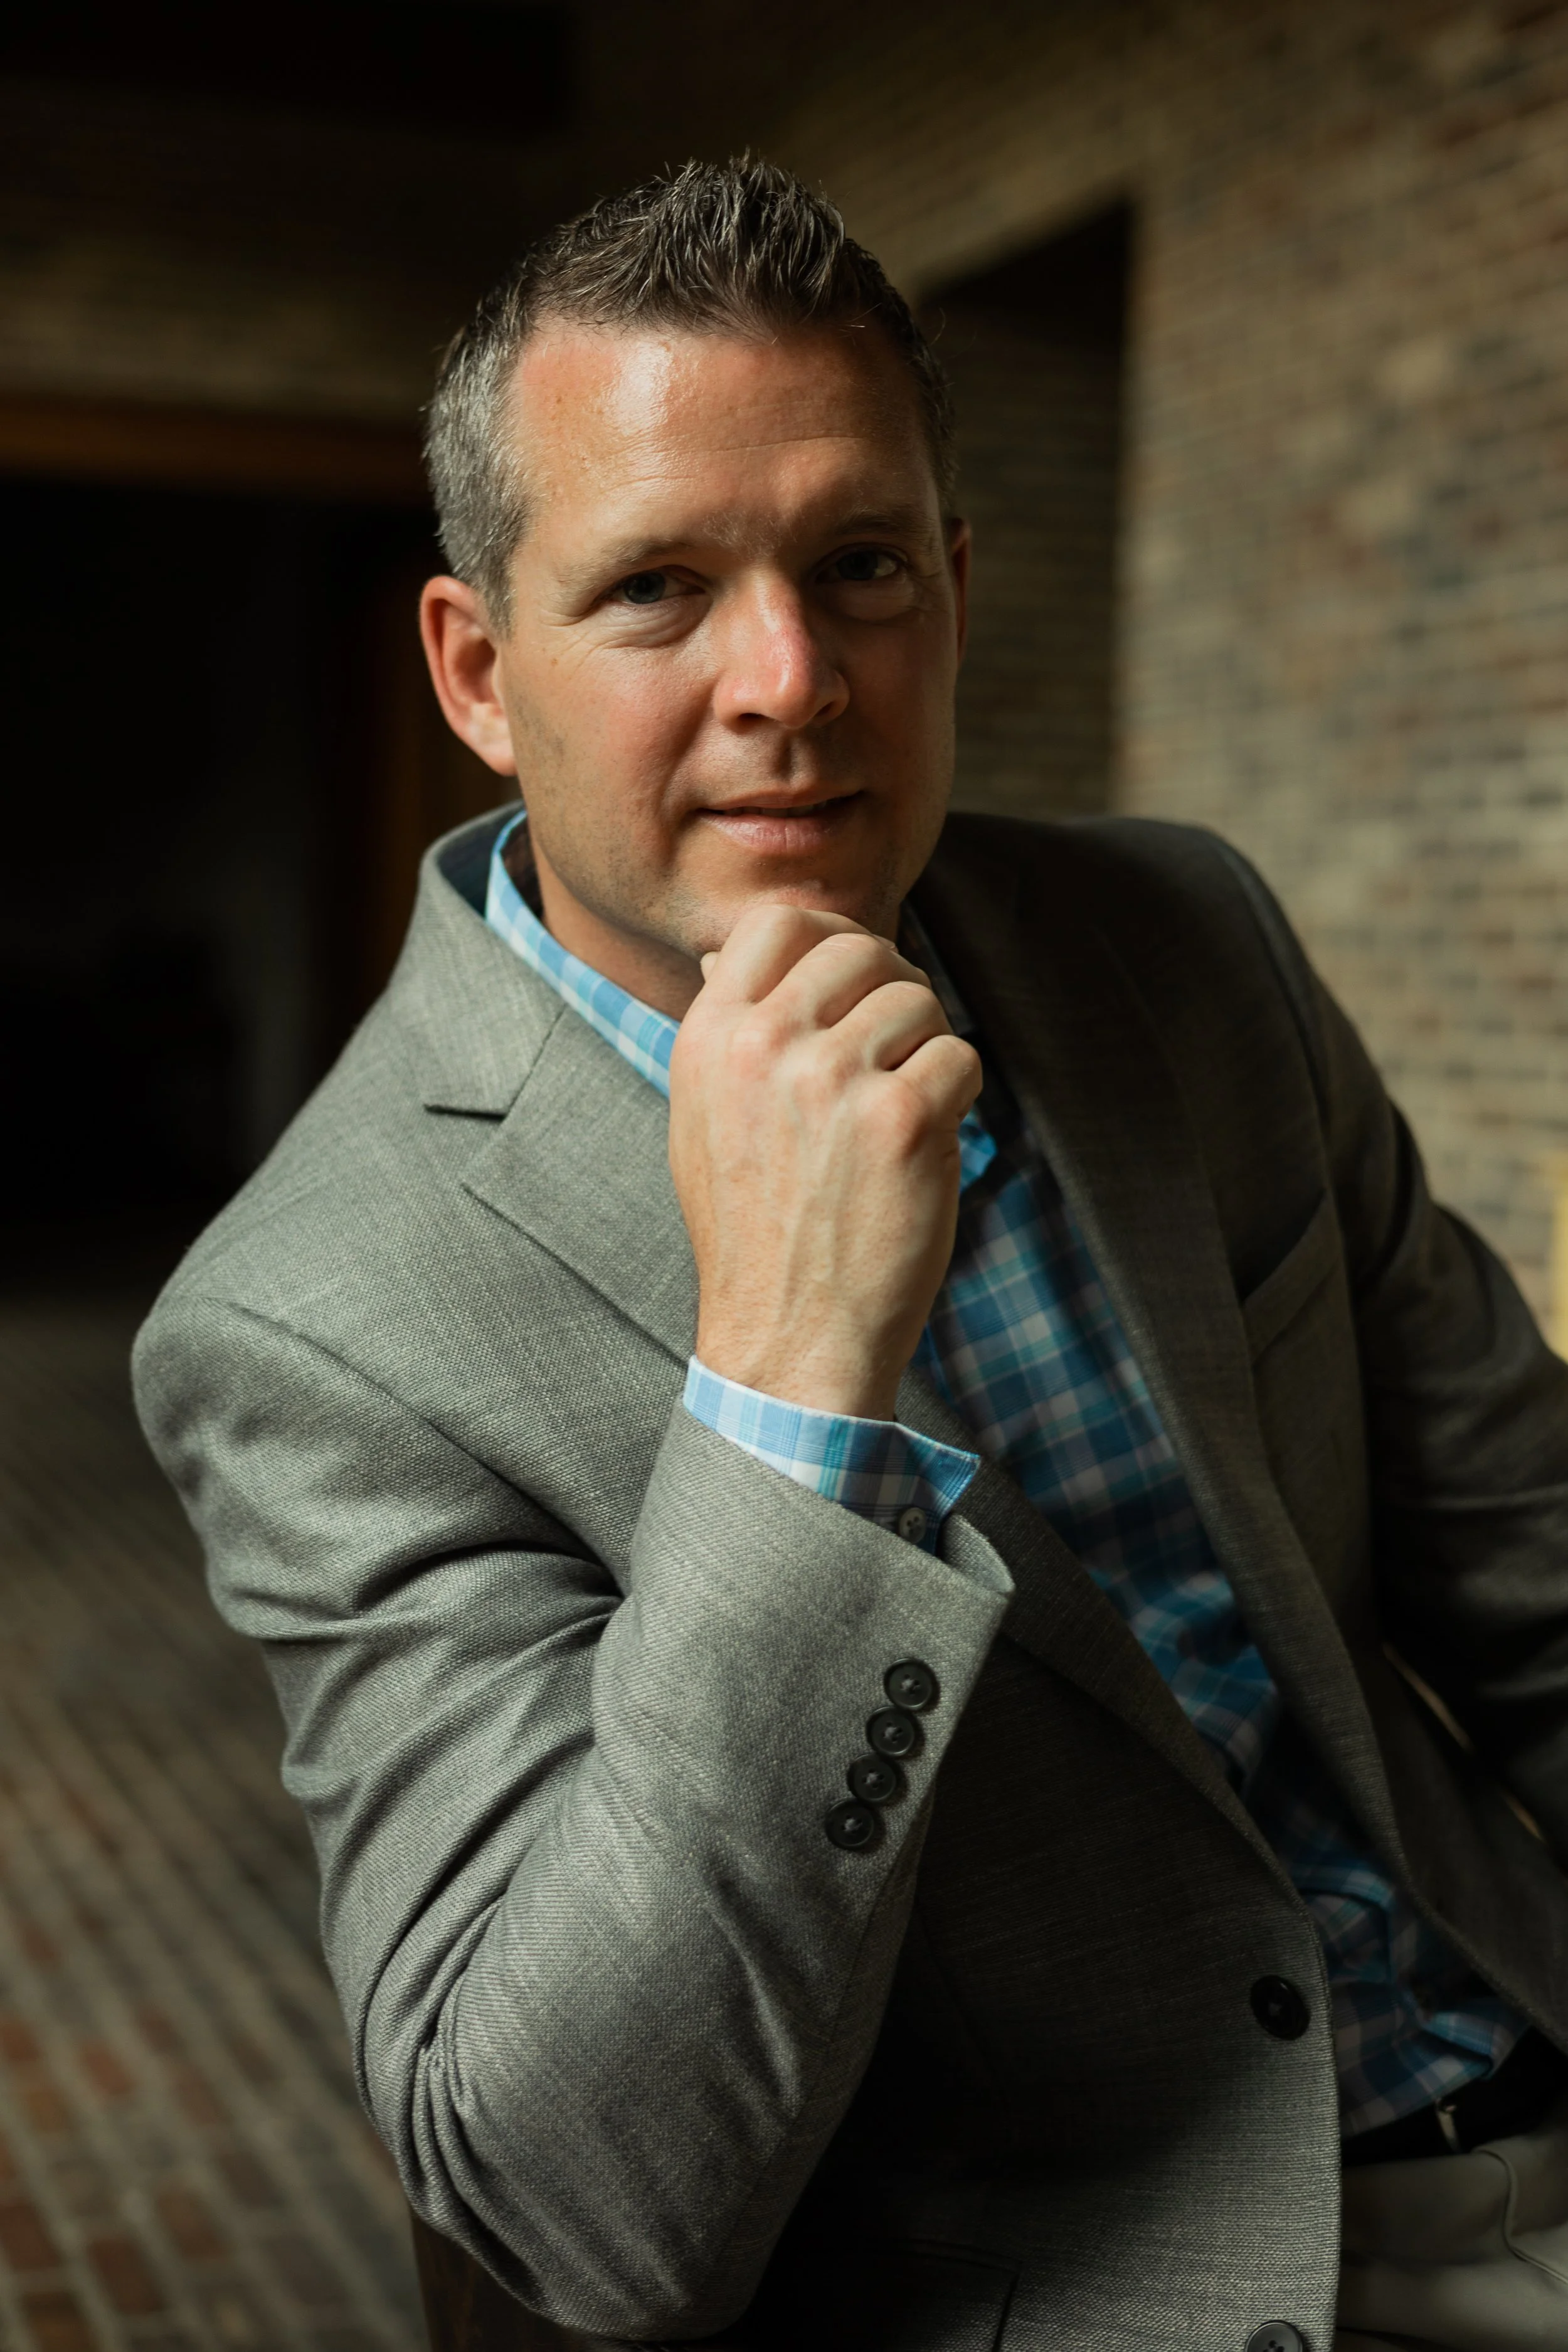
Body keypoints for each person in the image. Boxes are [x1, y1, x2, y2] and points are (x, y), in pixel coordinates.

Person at [134, 159, 1568, 2352]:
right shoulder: (311, 1322)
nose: (789, 679)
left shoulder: (1186, 943)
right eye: (656, 590)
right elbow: (578, 2211)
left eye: (858, 563)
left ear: (956, 593)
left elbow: (1533, 1572)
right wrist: (788, 1385)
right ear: (477, 668)